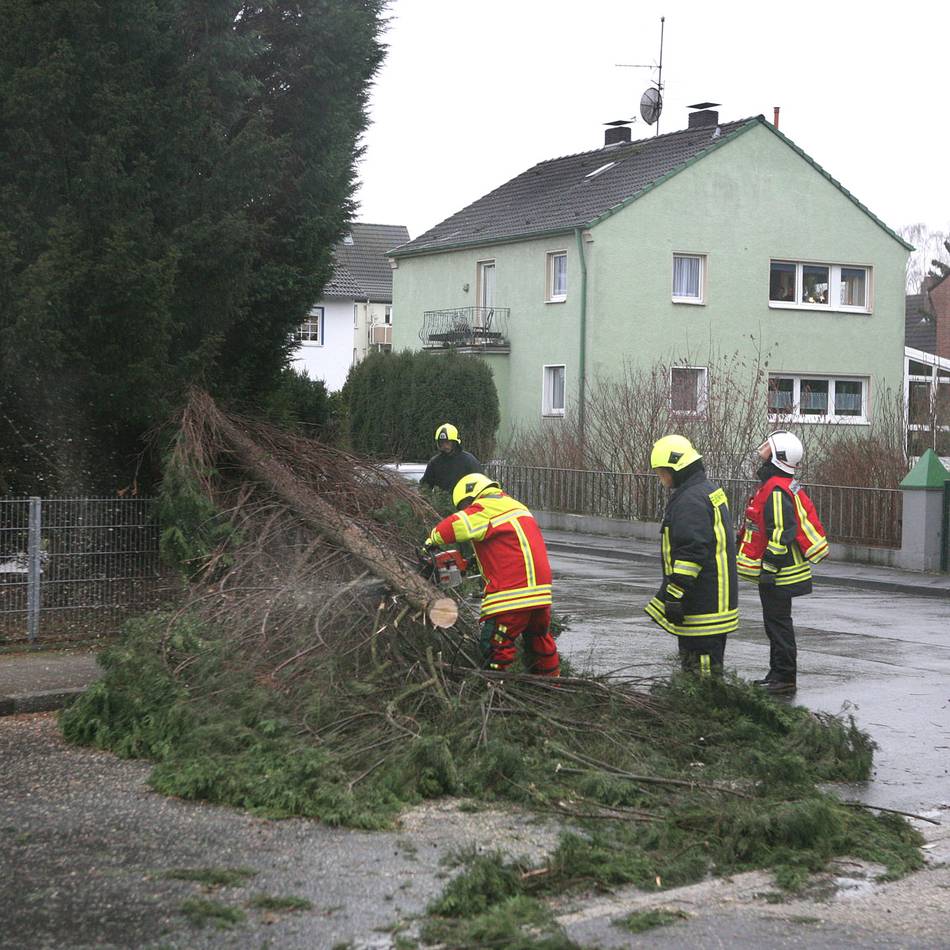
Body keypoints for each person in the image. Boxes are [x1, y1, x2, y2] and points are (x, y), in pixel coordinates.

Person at [425, 473, 560, 677]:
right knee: (538, 639)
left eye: (464, 506)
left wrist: (431, 541)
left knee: (496, 644)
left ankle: (496, 690)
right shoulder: (515, 506)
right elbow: (509, 550)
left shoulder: (484, 508)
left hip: (512, 595)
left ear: (471, 496)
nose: (465, 510)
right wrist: (471, 564)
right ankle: (553, 685)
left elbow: (455, 525)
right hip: (540, 593)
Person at [737, 430, 828, 693]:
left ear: (777, 458)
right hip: (778, 573)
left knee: (779, 626)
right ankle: (776, 673)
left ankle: (784, 678)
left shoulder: (776, 489)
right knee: (775, 625)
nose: (762, 454)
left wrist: (769, 567)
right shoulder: (777, 485)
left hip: (779, 574)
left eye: (767, 451)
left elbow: (782, 532)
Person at [644, 435, 739, 676]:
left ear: (676, 467)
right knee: (701, 671)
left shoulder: (690, 500)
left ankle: (709, 714)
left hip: (703, 605)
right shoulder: (706, 490)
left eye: (662, 472)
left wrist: (674, 595)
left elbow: (691, 553)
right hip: (714, 599)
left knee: (702, 679)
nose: (661, 478)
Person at [420, 423, 484, 494]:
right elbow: (425, 486)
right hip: (442, 502)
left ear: (455, 442)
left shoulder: (469, 461)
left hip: (465, 503)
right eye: (442, 443)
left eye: (448, 442)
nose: (445, 445)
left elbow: (480, 483)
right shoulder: (434, 463)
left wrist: (466, 494)